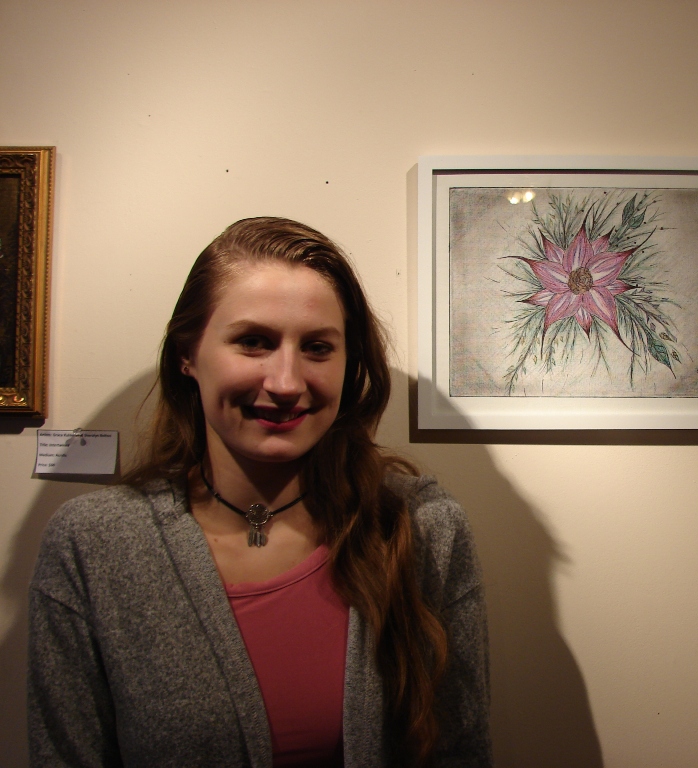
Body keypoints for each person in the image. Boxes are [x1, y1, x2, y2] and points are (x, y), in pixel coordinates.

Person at [27, 217, 491, 767]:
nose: (286, 382)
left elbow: (461, 752)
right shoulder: (93, 545)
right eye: (253, 342)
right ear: (187, 354)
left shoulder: (422, 527)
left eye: (317, 347)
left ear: (349, 366)